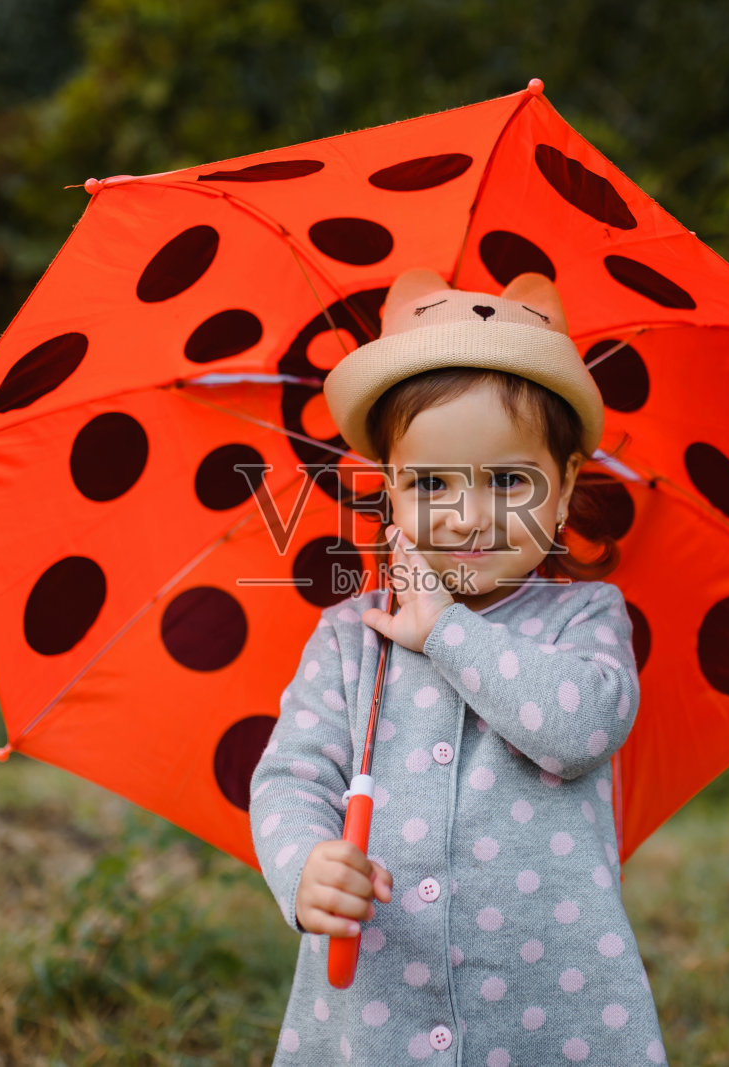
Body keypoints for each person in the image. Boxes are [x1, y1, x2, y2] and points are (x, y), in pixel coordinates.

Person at [249, 267, 666, 1064]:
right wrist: (305, 864)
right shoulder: (351, 637)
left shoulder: (583, 618)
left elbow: (578, 727)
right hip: (377, 1010)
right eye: (431, 483)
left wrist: (445, 630)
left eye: (509, 480)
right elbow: (290, 776)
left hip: (552, 1010)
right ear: (391, 492)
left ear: (567, 482)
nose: (468, 516)